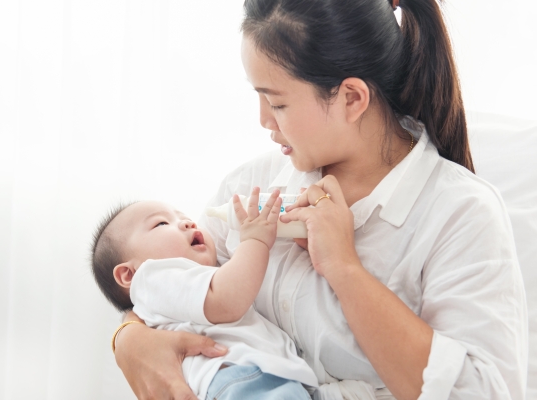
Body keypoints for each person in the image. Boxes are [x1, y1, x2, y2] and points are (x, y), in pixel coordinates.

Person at [113, 0, 528, 399]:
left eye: (277, 102)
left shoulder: (461, 214)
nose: (263, 119)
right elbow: (179, 283)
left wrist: (345, 269)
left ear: (351, 98)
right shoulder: (251, 183)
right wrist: (128, 337)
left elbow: (479, 392)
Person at [91, 189, 321, 400]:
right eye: (161, 224)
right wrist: (255, 240)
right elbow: (226, 301)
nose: (188, 223)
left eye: (183, 217)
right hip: (240, 379)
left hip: (258, 379)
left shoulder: (188, 283)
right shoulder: (151, 277)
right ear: (128, 275)